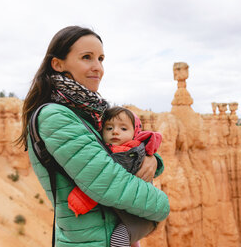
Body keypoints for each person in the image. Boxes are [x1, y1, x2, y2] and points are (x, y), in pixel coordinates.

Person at [17, 26, 170, 247]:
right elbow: (106, 182)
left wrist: (152, 161)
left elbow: (121, 152)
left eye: (101, 58)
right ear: (58, 64)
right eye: (87, 57)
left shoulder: (88, 113)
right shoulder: (55, 115)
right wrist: (163, 206)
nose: (97, 67)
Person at [68, 106, 163, 247]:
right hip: (130, 210)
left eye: (123, 129)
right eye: (109, 128)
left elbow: (103, 180)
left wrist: (80, 200)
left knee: (119, 239)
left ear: (135, 133)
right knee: (129, 238)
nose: (115, 132)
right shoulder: (119, 150)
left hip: (138, 211)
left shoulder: (125, 155)